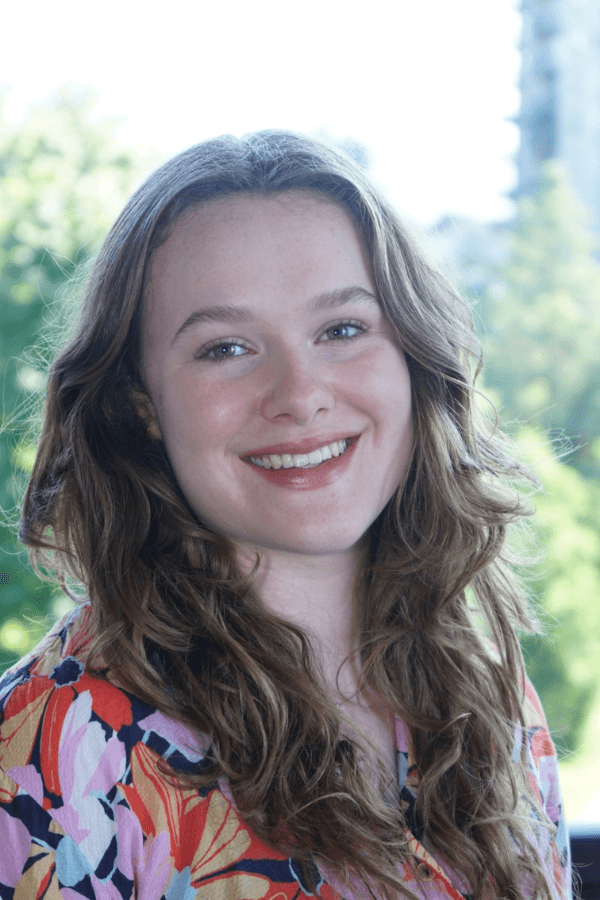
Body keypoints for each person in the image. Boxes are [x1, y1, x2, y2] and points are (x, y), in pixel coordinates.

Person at [0, 131, 570, 900]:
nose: (300, 395)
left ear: (413, 355)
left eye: (342, 330)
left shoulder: (486, 688)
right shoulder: (49, 753)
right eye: (226, 348)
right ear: (140, 403)